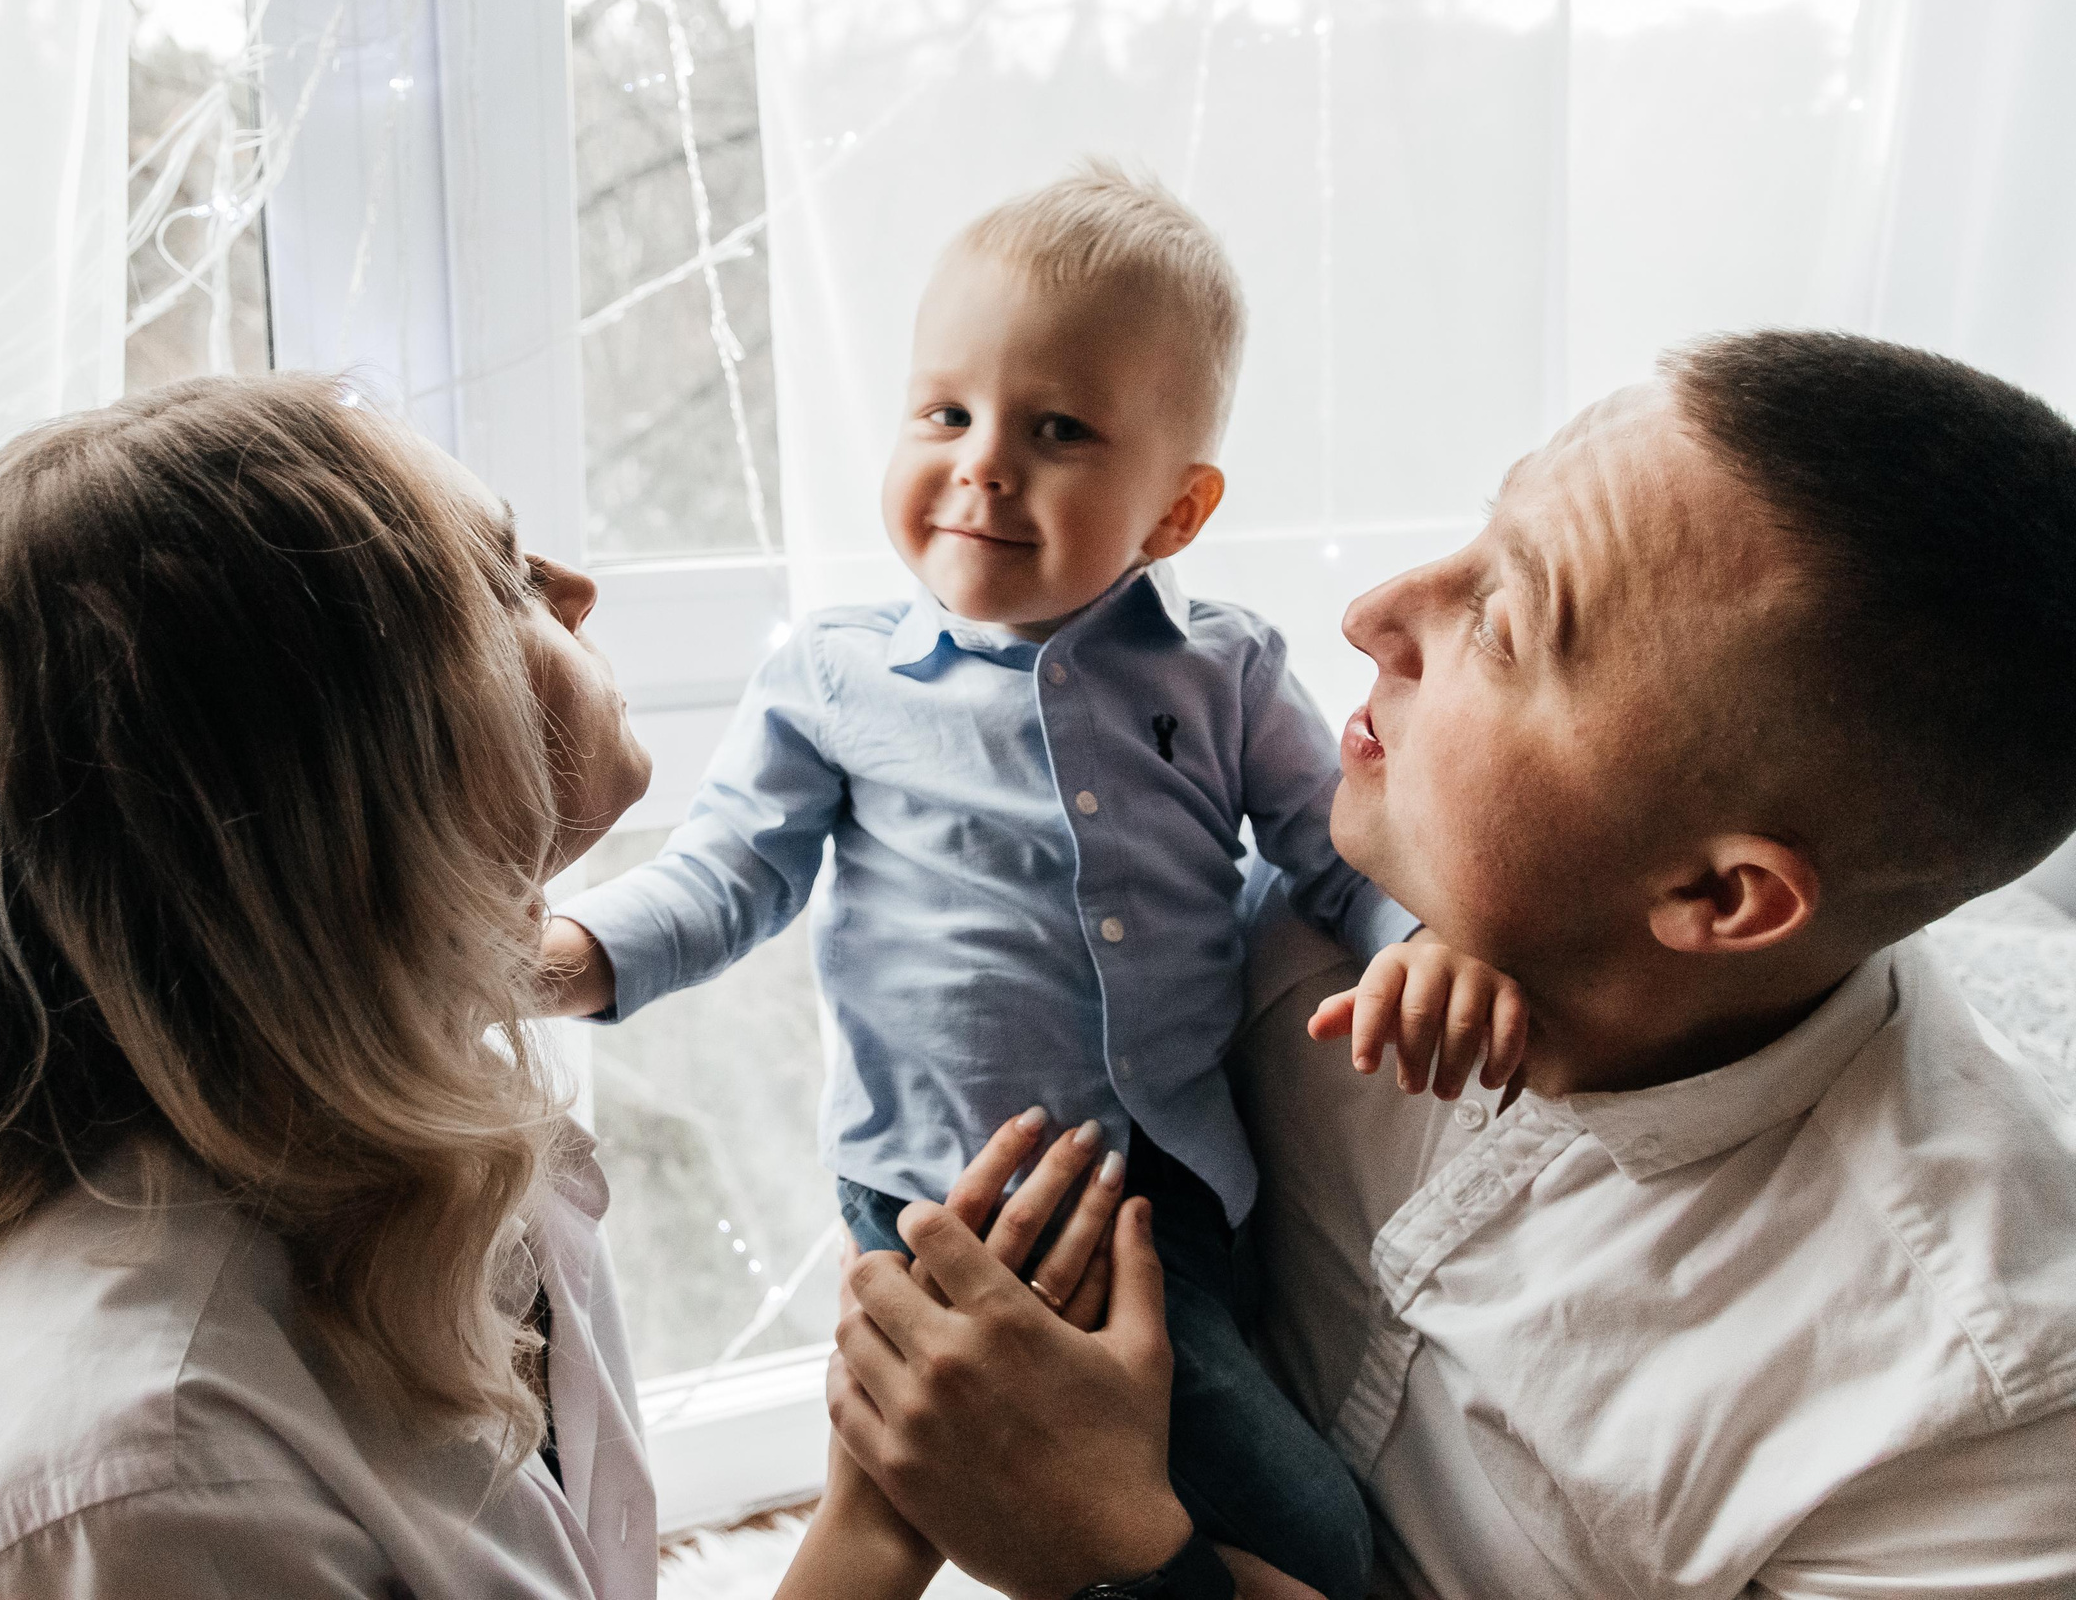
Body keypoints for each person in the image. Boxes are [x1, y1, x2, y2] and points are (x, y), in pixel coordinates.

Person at [0, 375, 1283, 1600]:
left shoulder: (455, 1179)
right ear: (345, 760)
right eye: (501, 576)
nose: (585, 586)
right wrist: (1105, 1555)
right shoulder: (154, 1473)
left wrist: (879, 1512)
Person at [830, 331, 2076, 1598]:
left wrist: (1118, 1561)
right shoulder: (1294, 888)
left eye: (1504, 622)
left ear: (1716, 894)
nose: (1371, 615)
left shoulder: (1974, 1422)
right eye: (1477, 530)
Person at [537, 163, 1521, 1600]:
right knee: (881, 1512)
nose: (984, 462)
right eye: (945, 413)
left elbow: (1334, 846)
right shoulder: (834, 674)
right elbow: (730, 870)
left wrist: (1425, 938)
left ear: (1176, 511)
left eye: (1057, 429)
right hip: (925, 1189)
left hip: (1158, 1201)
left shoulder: (1226, 668)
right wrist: (576, 950)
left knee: (1306, 1532)